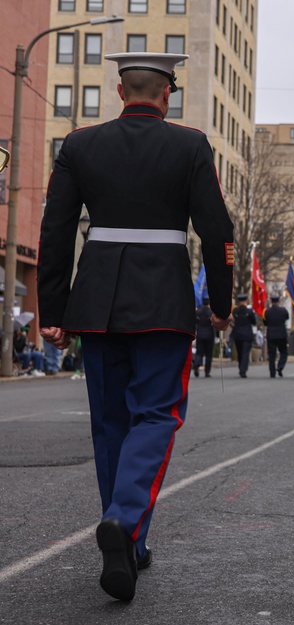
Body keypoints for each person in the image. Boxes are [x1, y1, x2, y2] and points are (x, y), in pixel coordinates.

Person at [37, 52, 233, 602]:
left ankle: (130, 541)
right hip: (163, 303)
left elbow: (54, 231)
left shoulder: (79, 144)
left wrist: (52, 312)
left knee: (110, 425)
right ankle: (124, 522)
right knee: (157, 414)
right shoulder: (190, 144)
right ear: (166, 94)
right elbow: (217, 230)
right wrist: (221, 302)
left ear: (120, 92)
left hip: (97, 298)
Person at [263, 294, 289, 378]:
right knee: (284, 352)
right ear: (278, 301)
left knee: (272, 355)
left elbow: (265, 323)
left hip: (271, 335)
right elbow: (287, 318)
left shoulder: (267, 311)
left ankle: (272, 372)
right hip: (281, 335)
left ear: (271, 301)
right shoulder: (283, 310)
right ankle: (280, 366)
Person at [231, 294, 256, 378]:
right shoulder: (249, 311)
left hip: (237, 334)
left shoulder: (235, 311)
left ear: (238, 301)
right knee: (245, 353)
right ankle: (243, 370)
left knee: (240, 352)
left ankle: (241, 367)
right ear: (246, 301)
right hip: (247, 334)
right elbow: (254, 321)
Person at [192, 296, 214, 378]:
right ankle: (207, 372)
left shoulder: (198, 312)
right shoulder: (210, 312)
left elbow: (194, 321)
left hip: (200, 334)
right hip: (209, 335)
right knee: (208, 354)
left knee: (199, 352)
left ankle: (197, 364)